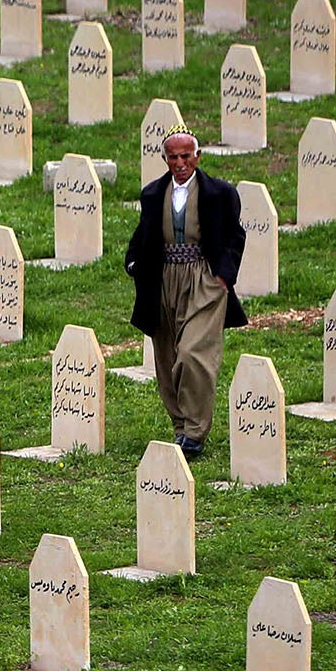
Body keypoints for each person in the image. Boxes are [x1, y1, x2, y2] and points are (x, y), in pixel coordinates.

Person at [124, 128, 248, 459]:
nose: (180, 163)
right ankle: (180, 427)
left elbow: (235, 236)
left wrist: (223, 276)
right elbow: (144, 234)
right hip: (162, 279)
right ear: (165, 159)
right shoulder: (153, 194)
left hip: (204, 279)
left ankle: (195, 431)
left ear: (197, 156)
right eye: (173, 157)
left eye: (186, 156)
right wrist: (133, 262)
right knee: (166, 356)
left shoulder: (220, 193)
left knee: (193, 353)